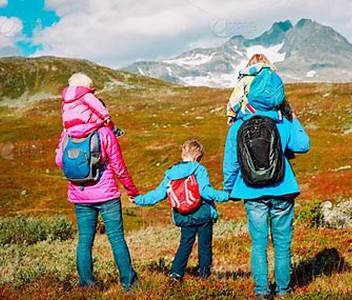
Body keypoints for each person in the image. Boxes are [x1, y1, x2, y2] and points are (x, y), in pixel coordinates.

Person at [223, 63, 310, 298]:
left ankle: (261, 290)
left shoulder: (239, 123)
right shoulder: (283, 120)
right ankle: (283, 289)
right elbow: (303, 145)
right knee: (282, 243)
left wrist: (229, 189)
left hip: (251, 191)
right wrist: (293, 116)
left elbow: (231, 161)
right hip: (283, 189)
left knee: (258, 243)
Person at [55, 125, 139, 291]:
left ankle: (86, 284)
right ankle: (129, 284)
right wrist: (132, 190)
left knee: (85, 240)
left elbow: (59, 161)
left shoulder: (68, 132)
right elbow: (119, 167)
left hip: (80, 194)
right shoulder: (104, 132)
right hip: (107, 195)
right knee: (116, 238)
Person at [132, 139, 229, 281]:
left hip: (183, 216)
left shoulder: (171, 173)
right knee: (205, 246)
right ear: (197, 156)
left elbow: (158, 194)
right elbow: (205, 191)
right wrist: (226, 196)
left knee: (185, 244)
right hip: (203, 214)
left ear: (183, 154)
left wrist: (139, 199)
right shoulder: (199, 169)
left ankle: (176, 274)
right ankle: (204, 276)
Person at [226, 54, 293, 126]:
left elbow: (235, 100)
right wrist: (288, 112)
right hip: (274, 115)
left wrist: (231, 115)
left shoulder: (246, 78)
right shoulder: (273, 78)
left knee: (232, 135)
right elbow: (281, 99)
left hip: (249, 114)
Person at [61, 72, 124, 138]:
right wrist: (106, 117)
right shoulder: (85, 94)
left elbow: (64, 113)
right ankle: (114, 131)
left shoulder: (65, 100)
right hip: (86, 122)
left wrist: (65, 128)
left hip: (69, 126)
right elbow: (97, 106)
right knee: (101, 121)